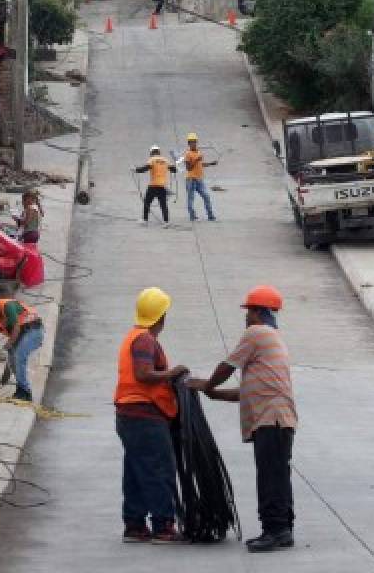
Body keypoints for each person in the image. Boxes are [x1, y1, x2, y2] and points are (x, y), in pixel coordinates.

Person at [189, 285, 297, 553]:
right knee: (278, 474)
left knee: (270, 476)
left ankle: (274, 531)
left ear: (258, 312)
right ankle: (283, 529)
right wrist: (216, 395)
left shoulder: (255, 333)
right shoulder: (273, 337)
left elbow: (227, 367)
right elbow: (249, 391)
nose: (245, 316)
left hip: (271, 420)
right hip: (280, 420)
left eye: (248, 311)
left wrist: (207, 386)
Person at [114, 287, 189, 544]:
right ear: (161, 316)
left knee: (136, 469)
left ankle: (134, 525)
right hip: (144, 415)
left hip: (129, 414)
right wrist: (172, 373)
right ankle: (162, 526)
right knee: (159, 468)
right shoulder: (145, 340)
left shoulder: (133, 336)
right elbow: (143, 374)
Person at [0, 288, 44, 402]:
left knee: (18, 355)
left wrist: (5, 348)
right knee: (12, 359)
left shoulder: (8, 306)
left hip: (34, 330)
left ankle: (25, 392)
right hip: (21, 335)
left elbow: (16, 328)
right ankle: (20, 389)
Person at [178, 132, 217, 221]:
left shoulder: (199, 152)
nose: (193, 143)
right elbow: (188, 168)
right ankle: (192, 216)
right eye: (191, 142)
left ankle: (210, 215)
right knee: (191, 199)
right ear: (189, 143)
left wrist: (211, 163)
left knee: (206, 196)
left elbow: (200, 164)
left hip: (199, 179)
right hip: (191, 179)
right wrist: (196, 160)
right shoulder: (188, 154)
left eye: (194, 141)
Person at [134, 145, 176, 227]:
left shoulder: (152, 159)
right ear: (159, 152)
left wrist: (136, 170)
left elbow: (145, 168)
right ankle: (166, 222)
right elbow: (173, 170)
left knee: (147, 203)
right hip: (162, 186)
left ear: (151, 152)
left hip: (153, 186)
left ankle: (145, 220)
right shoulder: (166, 160)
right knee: (163, 204)